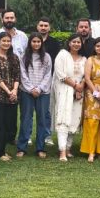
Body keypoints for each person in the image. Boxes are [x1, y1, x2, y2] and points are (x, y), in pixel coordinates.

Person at [17, 33, 53, 158]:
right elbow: (22, 74)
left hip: (43, 92)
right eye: (34, 41)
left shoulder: (46, 57)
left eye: (38, 41)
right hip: (27, 92)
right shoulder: (23, 56)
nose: (36, 44)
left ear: (41, 43)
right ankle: (22, 147)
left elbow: (48, 75)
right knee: (26, 119)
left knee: (42, 119)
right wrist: (31, 88)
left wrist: (39, 88)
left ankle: (40, 148)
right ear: (30, 43)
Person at [0, 32, 21, 161]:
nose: (6, 43)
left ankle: (4, 149)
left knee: (9, 124)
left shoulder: (14, 57)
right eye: (4, 41)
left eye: (8, 41)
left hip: (12, 96)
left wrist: (15, 91)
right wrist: (8, 91)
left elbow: (17, 75)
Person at [52, 34, 86, 161]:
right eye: (74, 42)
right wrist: (76, 86)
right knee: (63, 119)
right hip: (64, 90)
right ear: (69, 43)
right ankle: (62, 151)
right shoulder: (62, 55)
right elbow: (60, 74)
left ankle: (68, 148)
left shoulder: (84, 59)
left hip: (78, 93)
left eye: (78, 42)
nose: (76, 44)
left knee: (74, 120)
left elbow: (86, 76)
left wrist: (80, 87)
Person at [35, 16, 59, 146]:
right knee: (28, 112)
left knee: (46, 111)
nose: (43, 28)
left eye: (46, 26)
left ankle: (47, 135)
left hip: (48, 81)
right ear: (37, 27)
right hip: (31, 81)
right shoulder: (31, 40)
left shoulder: (54, 43)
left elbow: (55, 63)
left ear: (49, 27)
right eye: (41, 25)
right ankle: (28, 136)